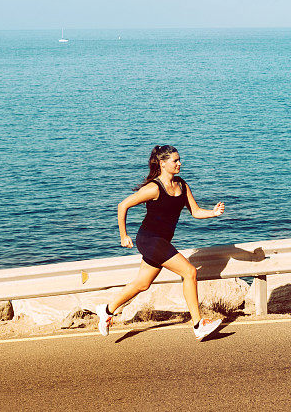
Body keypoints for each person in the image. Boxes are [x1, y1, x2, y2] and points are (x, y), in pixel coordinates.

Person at [95, 145, 225, 341]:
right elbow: (123, 205)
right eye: (175, 160)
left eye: (179, 159)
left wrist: (213, 213)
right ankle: (198, 324)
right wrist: (124, 235)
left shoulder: (182, 185)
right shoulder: (154, 188)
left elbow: (195, 211)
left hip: (161, 241)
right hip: (149, 240)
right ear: (163, 163)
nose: (180, 163)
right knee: (190, 272)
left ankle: (106, 310)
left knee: (142, 284)